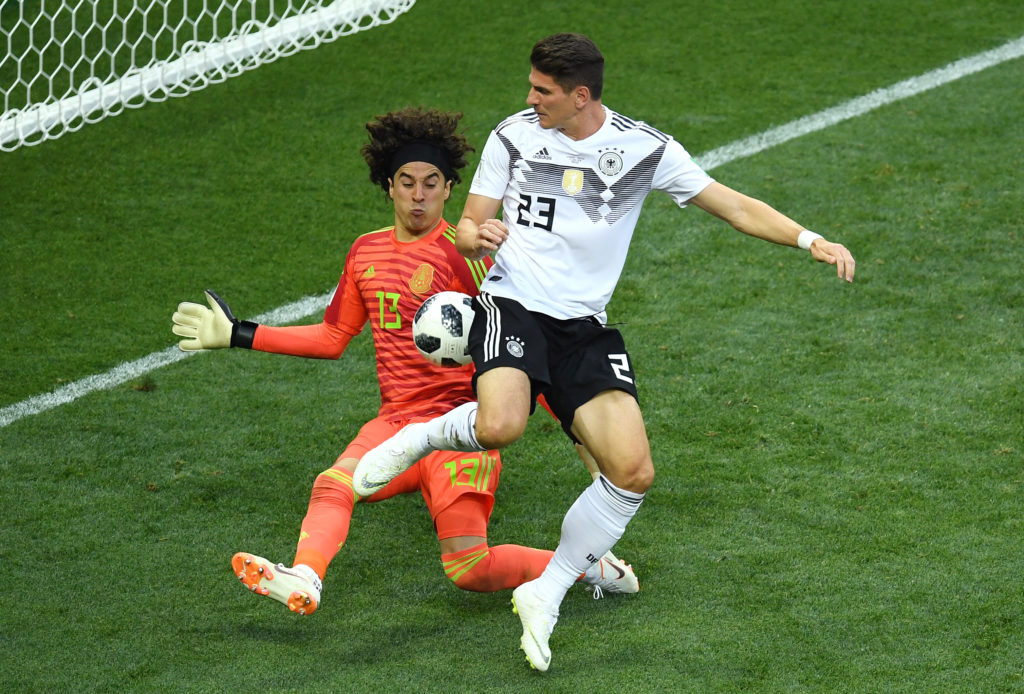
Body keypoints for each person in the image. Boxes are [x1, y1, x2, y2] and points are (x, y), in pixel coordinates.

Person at [351, 35, 856, 671]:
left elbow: (731, 204)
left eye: (543, 91)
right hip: (513, 303)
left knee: (632, 471)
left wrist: (808, 238)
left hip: (584, 328)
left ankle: (549, 589)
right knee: (502, 424)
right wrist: (480, 237)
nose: (529, 99)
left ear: (580, 96)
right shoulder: (514, 135)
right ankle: (422, 439)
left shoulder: (645, 150)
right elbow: (470, 222)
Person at [170, 107, 638, 618]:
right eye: (407, 182)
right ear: (388, 187)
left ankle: (589, 569)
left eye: (432, 183)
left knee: (470, 568)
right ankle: (304, 576)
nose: (419, 196)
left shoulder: (473, 260)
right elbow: (332, 337)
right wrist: (240, 334)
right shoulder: (364, 253)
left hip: (463, 427)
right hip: (395, 423)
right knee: (334, 483)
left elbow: (526, 356)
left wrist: (587, 444)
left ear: (450, 189)